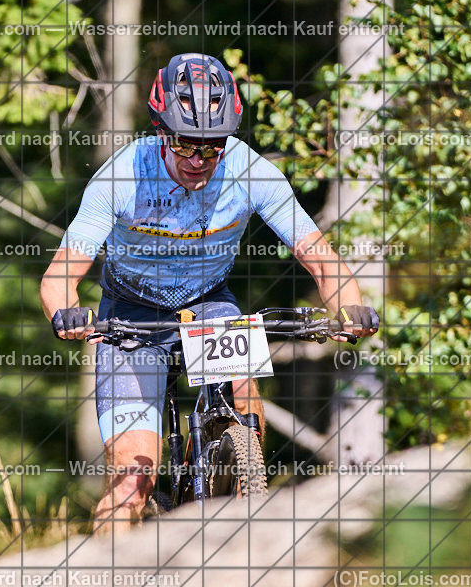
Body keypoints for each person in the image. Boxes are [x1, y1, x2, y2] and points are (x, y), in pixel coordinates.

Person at [40, 52, 379, 536]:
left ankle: (246, 506)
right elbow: (58, 278)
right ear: (161, 131)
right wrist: (67, 315)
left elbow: (319, 256)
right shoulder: (121, 177)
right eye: (185, 145)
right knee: (131, 482)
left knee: (245, 402)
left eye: (213, 146)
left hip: (207, 304)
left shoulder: (250, 172)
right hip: (130, 316)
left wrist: (346, 307)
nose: (199, 160)